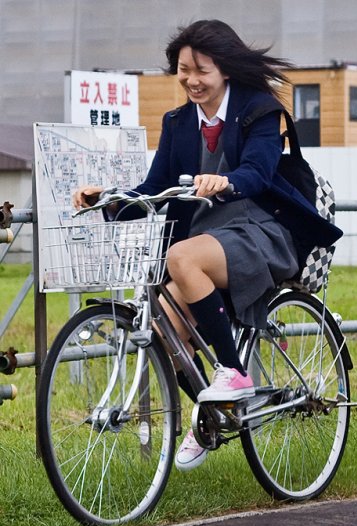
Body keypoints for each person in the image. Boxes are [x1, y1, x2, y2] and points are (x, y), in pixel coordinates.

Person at [73, 20, 342, 471]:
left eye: (202, 70)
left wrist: (228, 180)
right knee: (165, 330)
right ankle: (211, 413)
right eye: (183, 70)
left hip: (261, 228)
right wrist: (110, 199)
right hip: (208, 235)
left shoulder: (260, 110)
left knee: (180, 257)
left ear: (226, 70)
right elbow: (155, 187)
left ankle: (233, 371)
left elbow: (258, 171)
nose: (192, 80)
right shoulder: (177, 122)